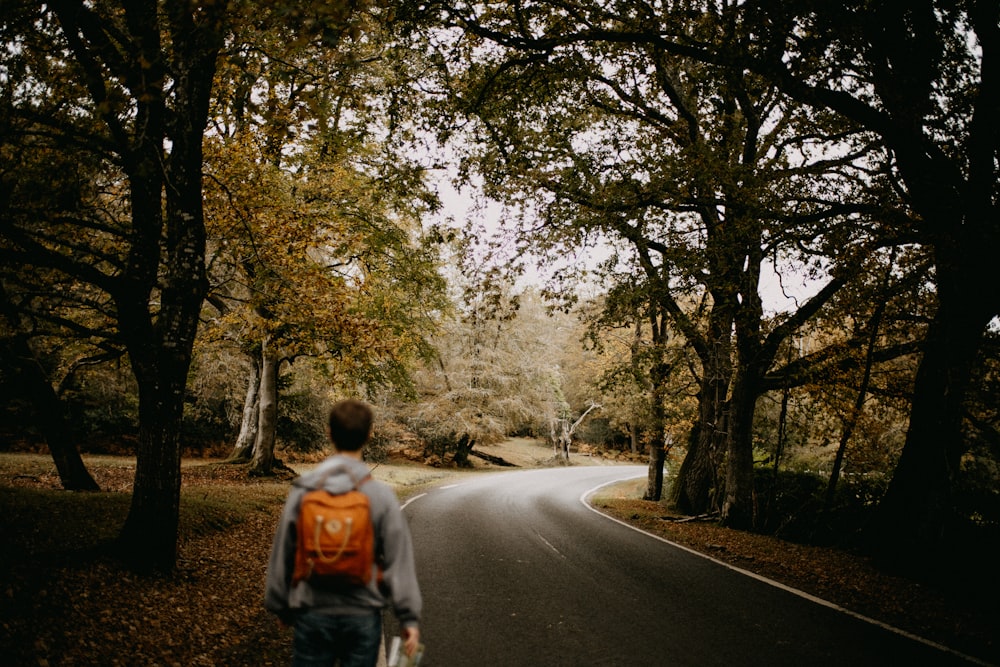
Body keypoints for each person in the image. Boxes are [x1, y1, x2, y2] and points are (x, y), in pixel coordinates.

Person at [265, 399, 422, 667]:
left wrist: (281, 604)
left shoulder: (304, 491)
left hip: (312, 611)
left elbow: (284, 550)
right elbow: (399, 561)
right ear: (368, 435)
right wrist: (408, 617)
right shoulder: (380, 496)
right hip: (361, 614)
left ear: (329, 434)